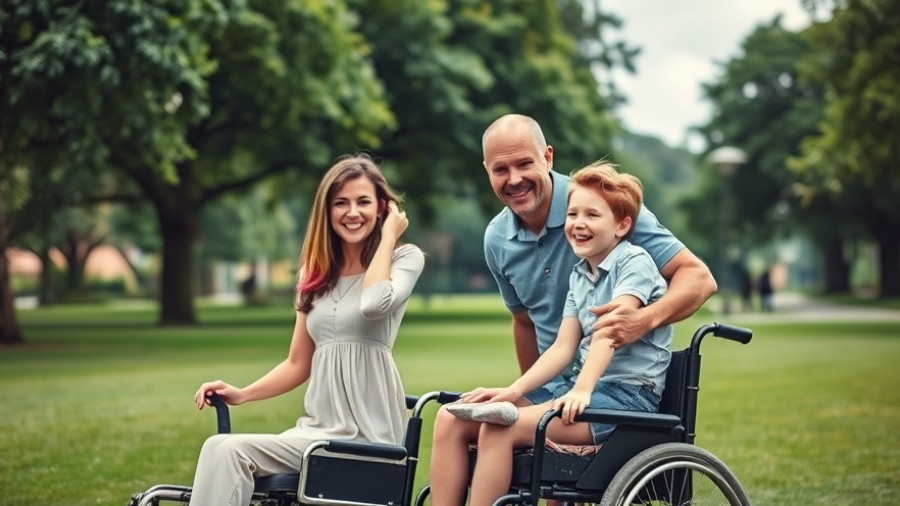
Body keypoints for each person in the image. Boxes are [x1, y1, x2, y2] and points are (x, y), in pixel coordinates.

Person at [429, 114, 716, 506]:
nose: (514, 178)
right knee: (449, 418)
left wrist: (642, 321)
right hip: (566, 384)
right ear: (487, 171)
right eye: (501, 169)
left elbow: (698, 279)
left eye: (525, 163)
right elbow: (532, 327)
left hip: (615, 392)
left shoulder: (603, 205)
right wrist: (518, 392)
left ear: (548, 157)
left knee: (501, 426)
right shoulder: (553, 262)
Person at [188, 154, 425, 506]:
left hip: (371, 436)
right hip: (315, 432)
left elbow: (374, 303)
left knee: (228, 451)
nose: (352, 212)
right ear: (326, 211)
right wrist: (242, 394)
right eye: (340, 203)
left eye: (363, 202)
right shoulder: (313, 275)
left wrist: (389, 235)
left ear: (382, 208)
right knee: (219, 448)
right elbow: (298, 363)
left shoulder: (404, 258)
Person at [444, 161, 672, 506]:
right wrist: (514, 390)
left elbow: (610, 332)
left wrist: (582, 389)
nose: (579, 223)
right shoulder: (580, 274)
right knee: (456, 417)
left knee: (499, 427)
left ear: (622, 225)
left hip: (626, 397)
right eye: (573, 214)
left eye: (592, 215)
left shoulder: (633, 262)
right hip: (586, 388)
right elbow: (563, 348)